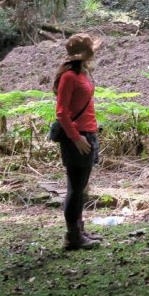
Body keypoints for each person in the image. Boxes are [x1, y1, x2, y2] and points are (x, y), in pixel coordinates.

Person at [52, 33, 102, 251]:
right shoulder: (69, 77)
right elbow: (61, 113)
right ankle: (73, 237)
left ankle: (79, 230)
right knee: (75, 187)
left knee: (81, 187)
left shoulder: (83, 73)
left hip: (88, 133)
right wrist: (76, 137)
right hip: (77, 137)